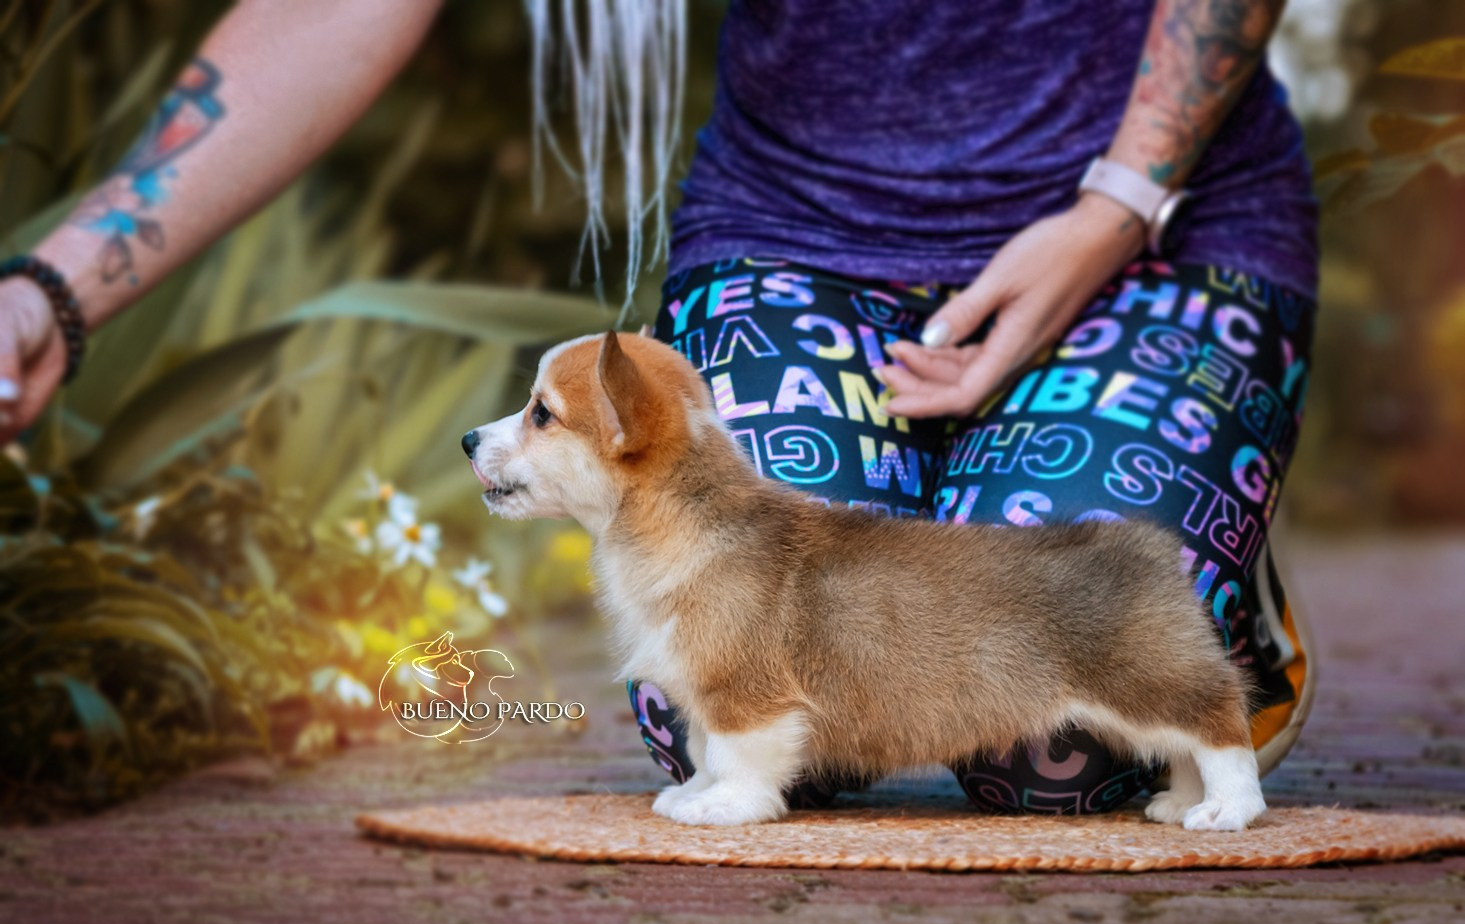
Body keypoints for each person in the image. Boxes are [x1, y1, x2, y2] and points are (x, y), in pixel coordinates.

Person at [0, 0, 1316, 815]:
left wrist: (1114, 206)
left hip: (1153, 230)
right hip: (801, 240)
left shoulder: (1137, 210)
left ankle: (1174, 562)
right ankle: (990, 501)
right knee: (732, 700)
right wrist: (52, 292)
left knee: (1057, 748)